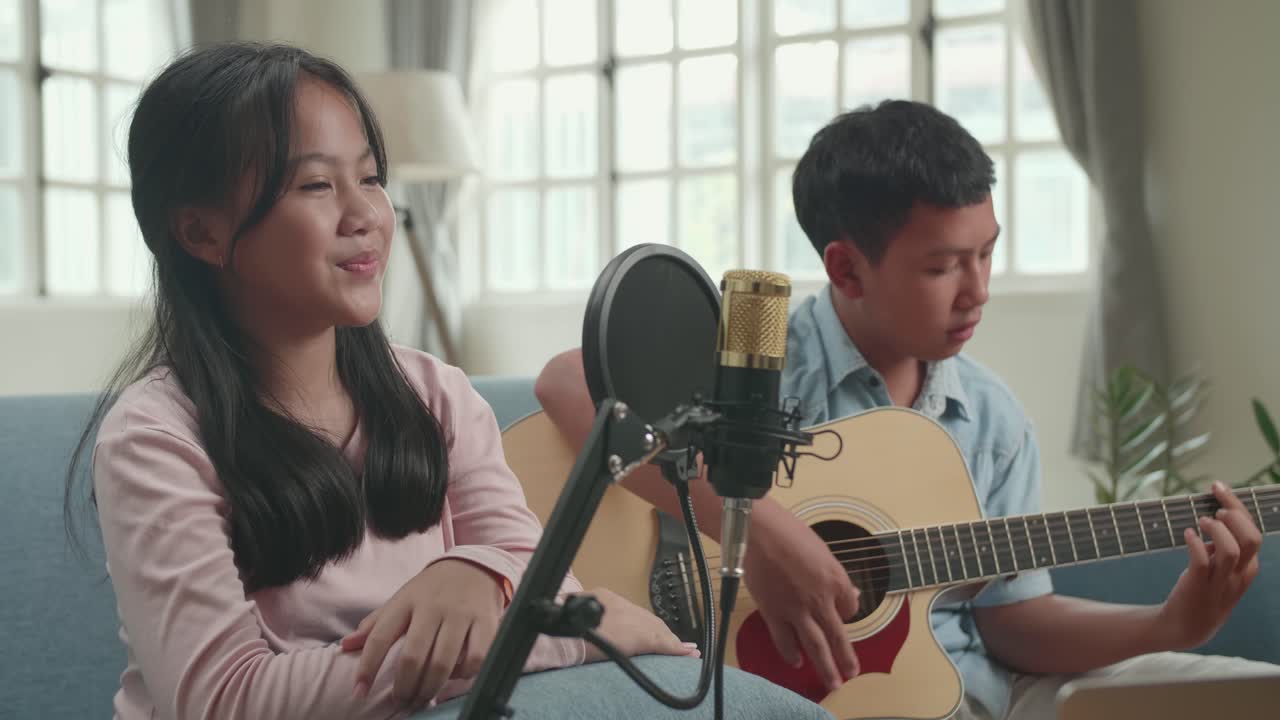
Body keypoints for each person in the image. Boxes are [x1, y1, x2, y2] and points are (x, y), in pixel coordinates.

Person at [67, 42, 832, 720]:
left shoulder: (434, 394)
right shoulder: (156, 437)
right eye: (316, 186)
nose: (365, 214)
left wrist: (474, 572)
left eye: (370, 178)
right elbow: (225, 700)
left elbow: (536, 578)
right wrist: (564, 634)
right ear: (201, 232)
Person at [534, 100, 1273, 719]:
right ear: (846, 268)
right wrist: (756, 529)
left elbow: (1011, 623)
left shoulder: (992, 419)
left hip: (957, 689)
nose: (978, 290)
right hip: (764, 689)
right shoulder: (754, 358)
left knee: (1240, 694)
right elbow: (568, 382)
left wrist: (1169, 625)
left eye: (986, 254)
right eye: (942, 266)